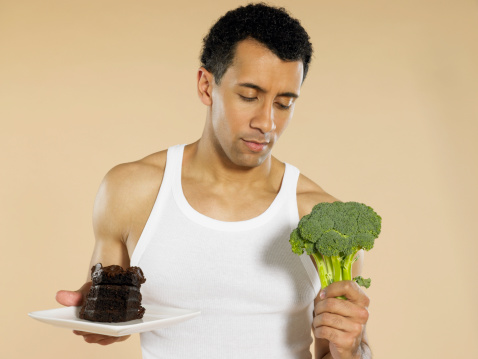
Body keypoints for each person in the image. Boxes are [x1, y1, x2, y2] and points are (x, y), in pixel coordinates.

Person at [56, 3, 372, 358]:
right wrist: (98, 316)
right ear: (207, 86)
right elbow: (107, 312)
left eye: (284, 104)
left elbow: (339, 353)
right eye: (249, 96)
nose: (267, 122)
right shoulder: (132, 191)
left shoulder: (321, 218)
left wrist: (354, 349)